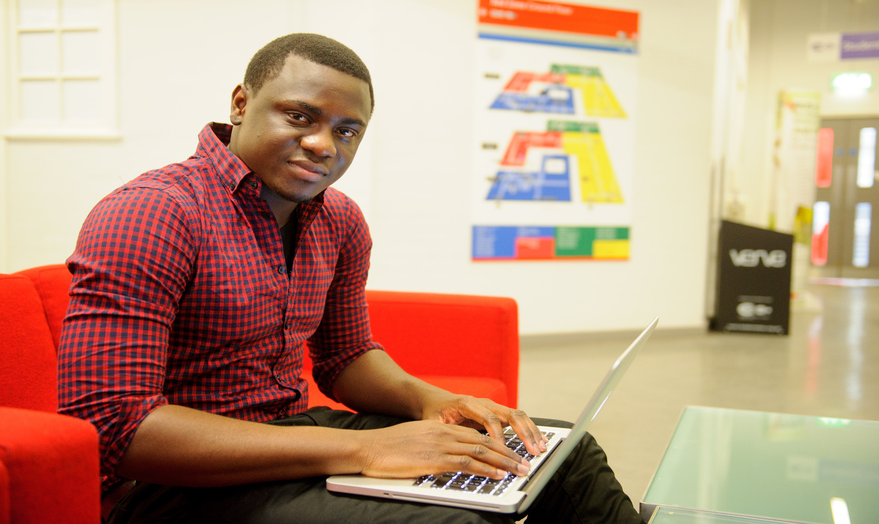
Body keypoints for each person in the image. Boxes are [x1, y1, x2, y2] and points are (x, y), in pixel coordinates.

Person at [57, 33, 644, 524]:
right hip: (172, 489)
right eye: (300, 116)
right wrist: (367, 447)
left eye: (347, 131)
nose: (322, 144)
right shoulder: (151, 214)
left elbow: (346, 358)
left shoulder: (338, 219)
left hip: (297, 436)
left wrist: (437, 403)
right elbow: (115, 427)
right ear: (242, 103)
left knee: (564, 454)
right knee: (454, 521)